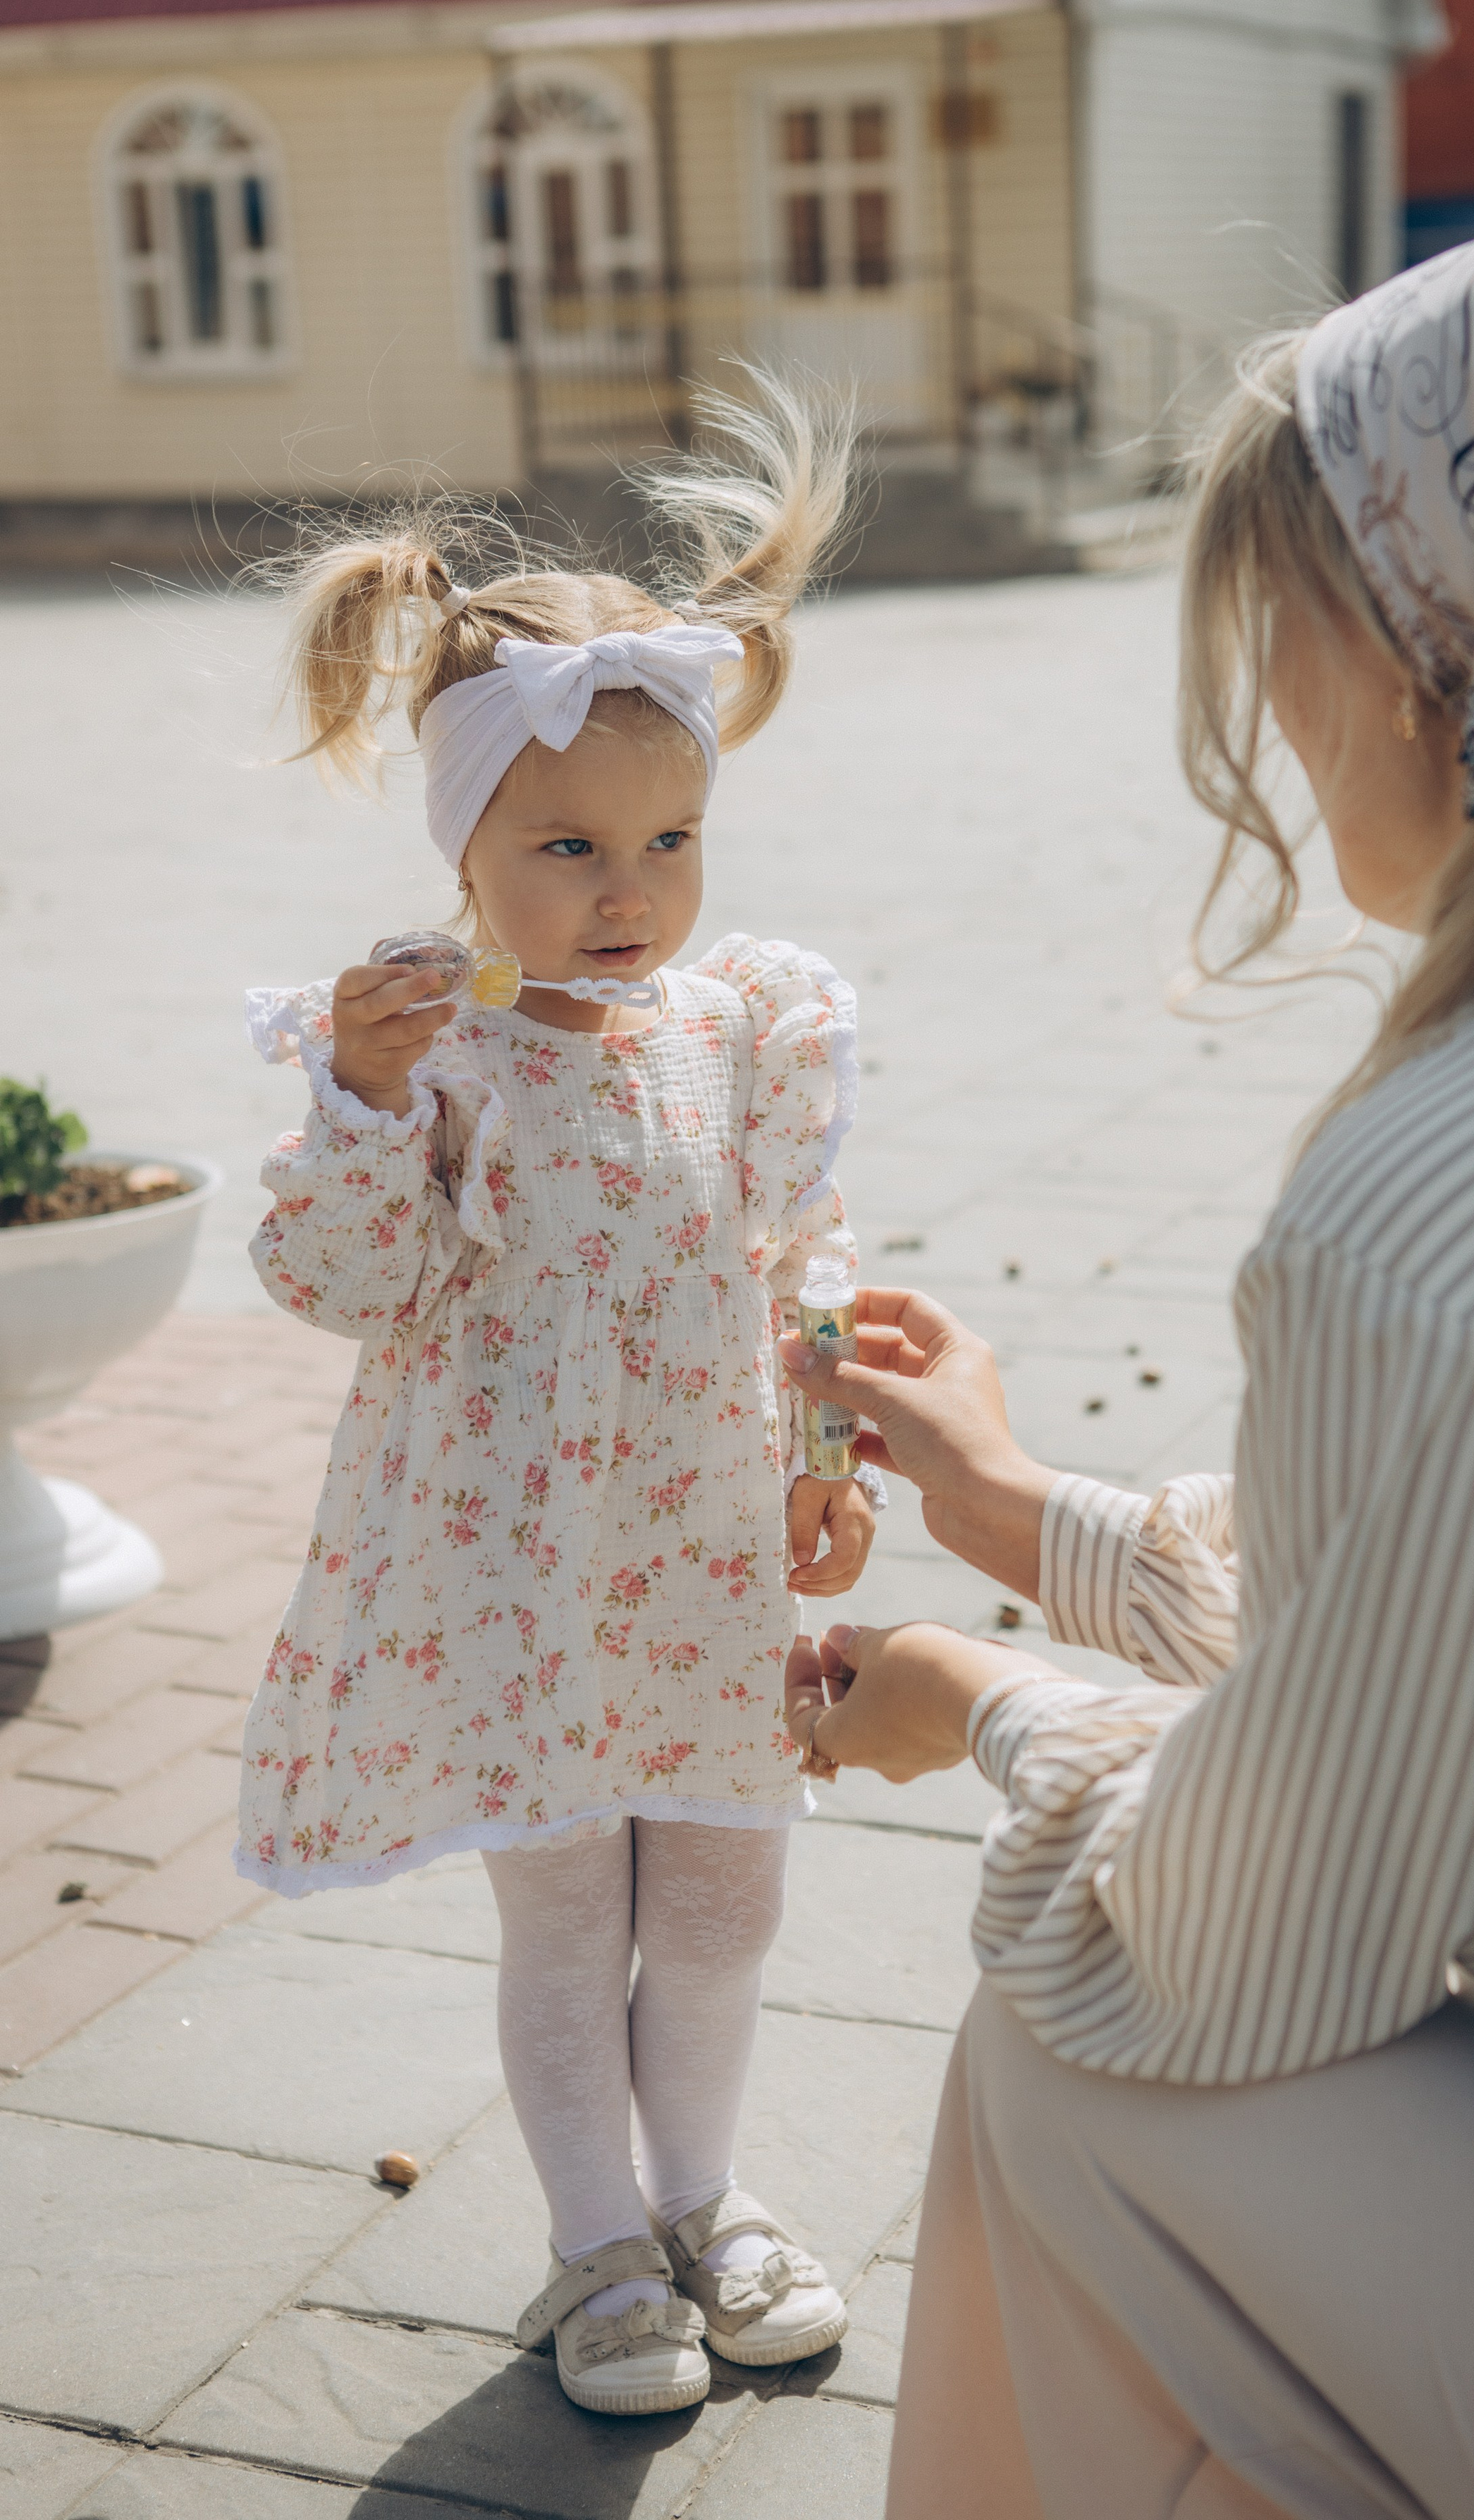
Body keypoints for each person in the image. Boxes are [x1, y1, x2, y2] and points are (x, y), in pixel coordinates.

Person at [781, 223, 1474, 2519]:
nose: (1265, 694)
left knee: (1091, 2073)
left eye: (1280, 610)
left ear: (1442, 645)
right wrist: (1032, 1512)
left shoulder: (1469, 1172)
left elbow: (1273, 1938)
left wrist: (985, 1696)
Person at [235, 384, 883, 2416]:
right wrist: (354, 1098)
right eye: (570, 846)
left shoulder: (742, 1022)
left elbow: (801, 1251)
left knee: (723, 1884)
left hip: (699, 1542)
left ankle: (705, 2191)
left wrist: (837, 1446)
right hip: (512, 1560)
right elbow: (342, 1282)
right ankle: (597, 2241)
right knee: (561, 1901)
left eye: (670, 837)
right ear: (467, 844)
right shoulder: (434, 1045)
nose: (630, 886)